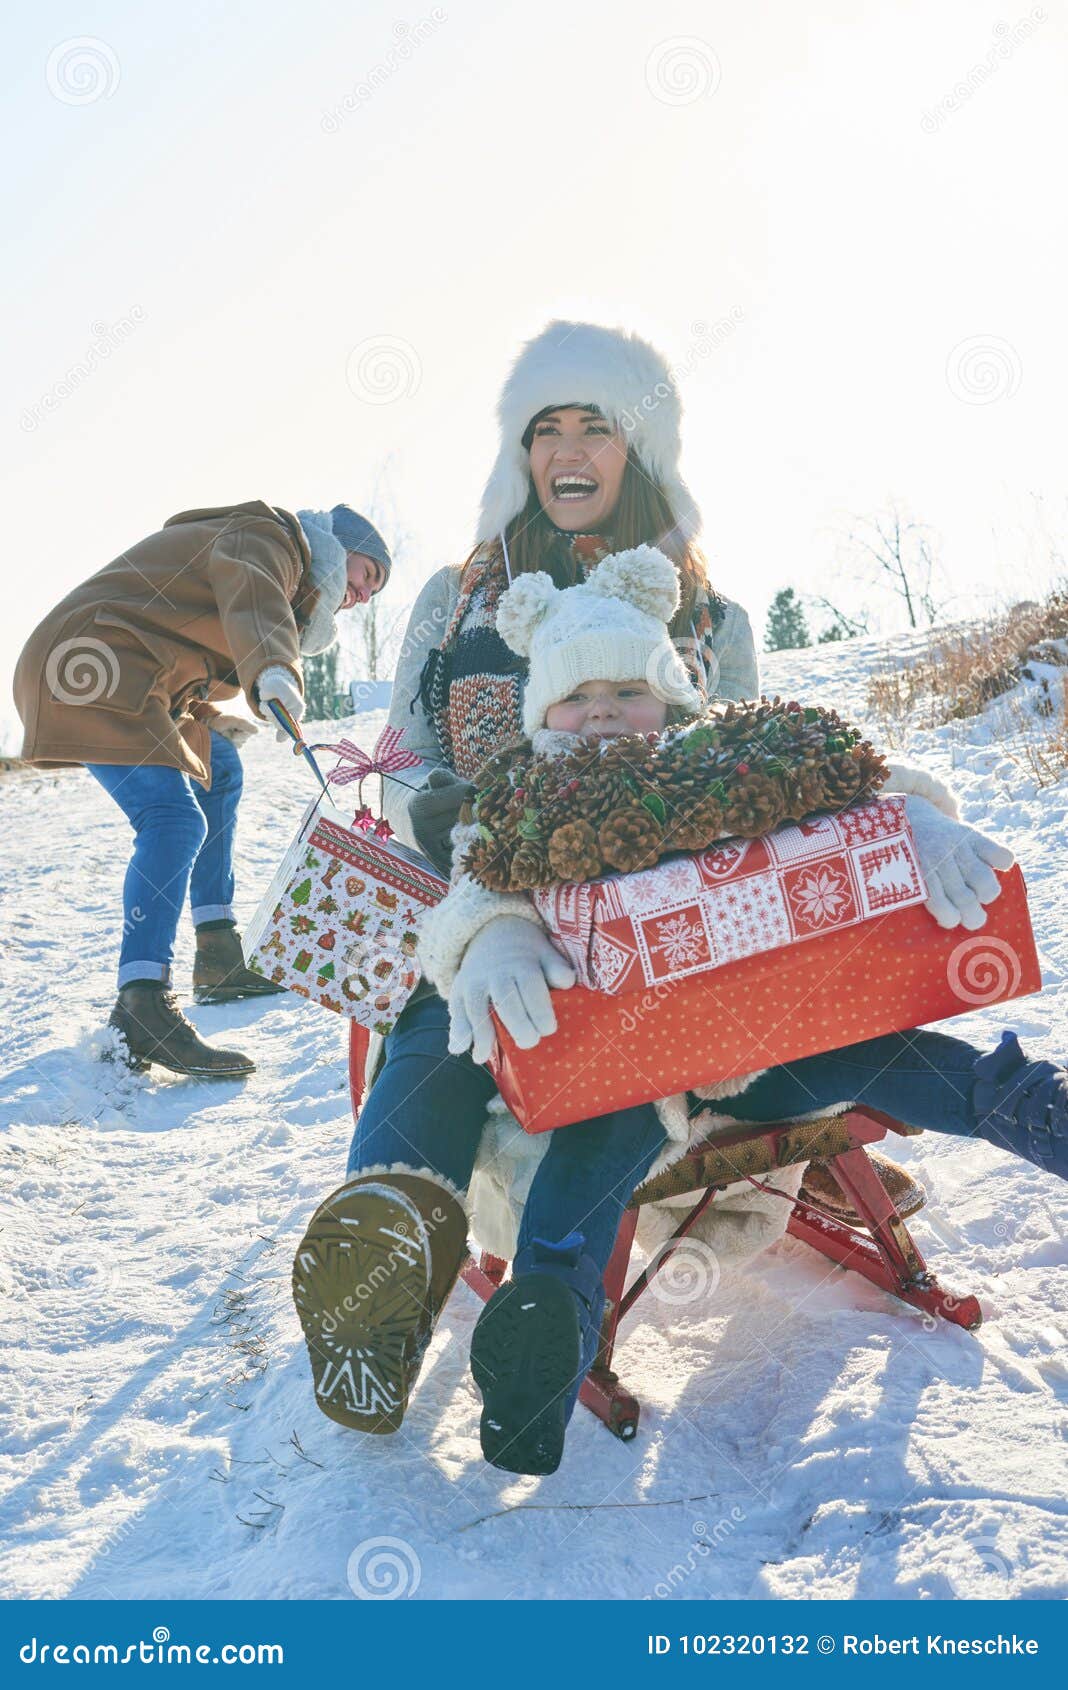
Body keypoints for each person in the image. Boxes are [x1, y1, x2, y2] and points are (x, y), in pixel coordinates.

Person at [288, 321, 1067, 1476]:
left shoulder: (711, 620)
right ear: (518, 450)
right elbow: (404, 750)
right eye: (543, 426)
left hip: (680, 962)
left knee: (662, 1048)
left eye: (593, 423)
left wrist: (904, 808)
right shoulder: (457, 600)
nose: (567, 446)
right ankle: (388, 1255)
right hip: (490, 897)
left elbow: (762, 778)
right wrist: (490, 860)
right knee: (449, 1016)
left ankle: (545, 1296)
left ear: (636, 446)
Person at [13, 500, 391, 1078]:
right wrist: (276, 670)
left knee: (223, 773)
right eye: (369, 575)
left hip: (140, 677)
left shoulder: (277, 565)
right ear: (341, 549)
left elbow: (247, 612)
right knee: (173, 820)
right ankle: (142, 1001)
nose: (365, 594)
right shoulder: (269, 536)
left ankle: (216, 952)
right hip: (95, 661)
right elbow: (254, 592)